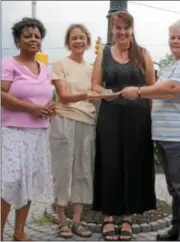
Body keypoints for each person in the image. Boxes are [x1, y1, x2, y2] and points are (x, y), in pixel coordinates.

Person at [122, 20, 180, 241]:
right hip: (169, 137)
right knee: (177, 190)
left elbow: (174, 89)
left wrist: (139, 91)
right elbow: (163, 89)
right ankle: (177, 230)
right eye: (172, 37)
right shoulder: (173, 65)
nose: (174, 41)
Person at [92, 11, 157, 241]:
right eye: (117, 28)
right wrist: (104, 93)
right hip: (109, 115)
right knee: (109, 162)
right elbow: (95, 86)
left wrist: (151, 117)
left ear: (132, 29)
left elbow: (152, 87)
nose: (121, 32)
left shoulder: (143, 54)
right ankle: (109, 216)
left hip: (138, 118)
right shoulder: (104, 55)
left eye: (125, 28)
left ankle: (128, 217)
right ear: (112, 29)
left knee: (133, 162)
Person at [1, 17, 54, 241]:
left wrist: (51, 109)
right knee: (10, 181)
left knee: (30, 180)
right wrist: (30, 108)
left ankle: (19, 231)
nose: (33, 39)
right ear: (17, 40)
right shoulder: (8, 63)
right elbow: (2, 95)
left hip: (39, 133)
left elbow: (47, 98)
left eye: (37, 36)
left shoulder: (45, 69)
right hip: (13, 130)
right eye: (28, 36)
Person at [50, 24, 100, 239]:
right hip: (64, 120)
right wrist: (86, 95)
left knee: (83, 171)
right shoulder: (60, 64)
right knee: (62, 171)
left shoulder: (92, 69)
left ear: (88, 42)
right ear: (68, 42)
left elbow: (98, 94)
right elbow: (62, 95)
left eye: (82, 38)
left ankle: (77, 221)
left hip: (87, 122)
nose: (78, 41)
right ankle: (62, 221)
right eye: (74, 38)